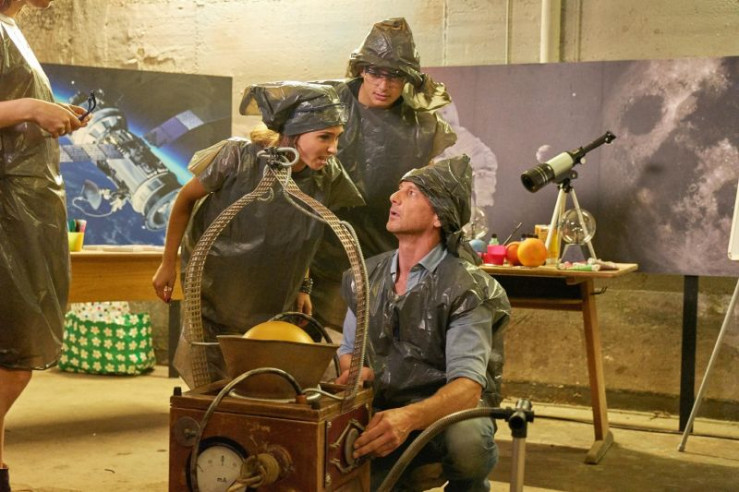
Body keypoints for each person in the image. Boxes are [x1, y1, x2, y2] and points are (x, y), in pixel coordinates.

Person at [152, 81, 363, 388]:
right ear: (295, 133)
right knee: (211, 383)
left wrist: (303, 286)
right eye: (324, 137)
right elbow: (185, 200)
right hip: (217, 292)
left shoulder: (327, 176)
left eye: (337, 137)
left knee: (262, 384)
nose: (333, 148)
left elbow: (304, 234)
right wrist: (167, 263)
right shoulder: (237, 158)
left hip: (273, 298)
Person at [337, 156, 510, 491]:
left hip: (441, 415)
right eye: (398, 190)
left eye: (411, 192)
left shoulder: (466, 288)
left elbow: (467, 388)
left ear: (438, 216)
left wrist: (408, 418)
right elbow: (348, 350)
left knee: (468, 441)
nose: (394, 198)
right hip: (382, 406)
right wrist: (356, 371)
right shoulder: (366, 276)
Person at [310, 17, 458, 331]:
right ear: (361, 69)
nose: (383, 86)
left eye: (395, 76)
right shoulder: (324, 105)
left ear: (408, 78)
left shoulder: (422, 127)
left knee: (374, 343)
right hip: (321, 251)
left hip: (386, 254)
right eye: (376, 73)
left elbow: (429, 193)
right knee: (326, 342)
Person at [0, 1, 90, 490]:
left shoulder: (10, 28)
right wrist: (33, 108)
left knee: (14, 354)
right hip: (7, 204)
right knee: (12, 359)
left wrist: (47, 112)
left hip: (27, 204)